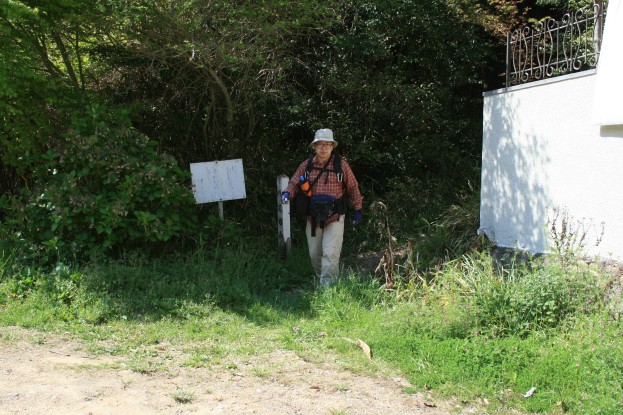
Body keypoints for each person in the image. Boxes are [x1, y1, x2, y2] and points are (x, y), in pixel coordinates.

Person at [281, 128, 363, 286]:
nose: (323, 148)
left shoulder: (341, 166)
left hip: (335, 216)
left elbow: (353, 187)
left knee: (330, 252)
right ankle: (321, 279)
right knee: (315, 254)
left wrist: (358, 209)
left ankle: (327, 287)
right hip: (312, 218)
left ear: (332, 147)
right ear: (314, 146)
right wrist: (287, 193)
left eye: (327, 144)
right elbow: (294, 183)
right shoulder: (307, 165)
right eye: (320, 144)